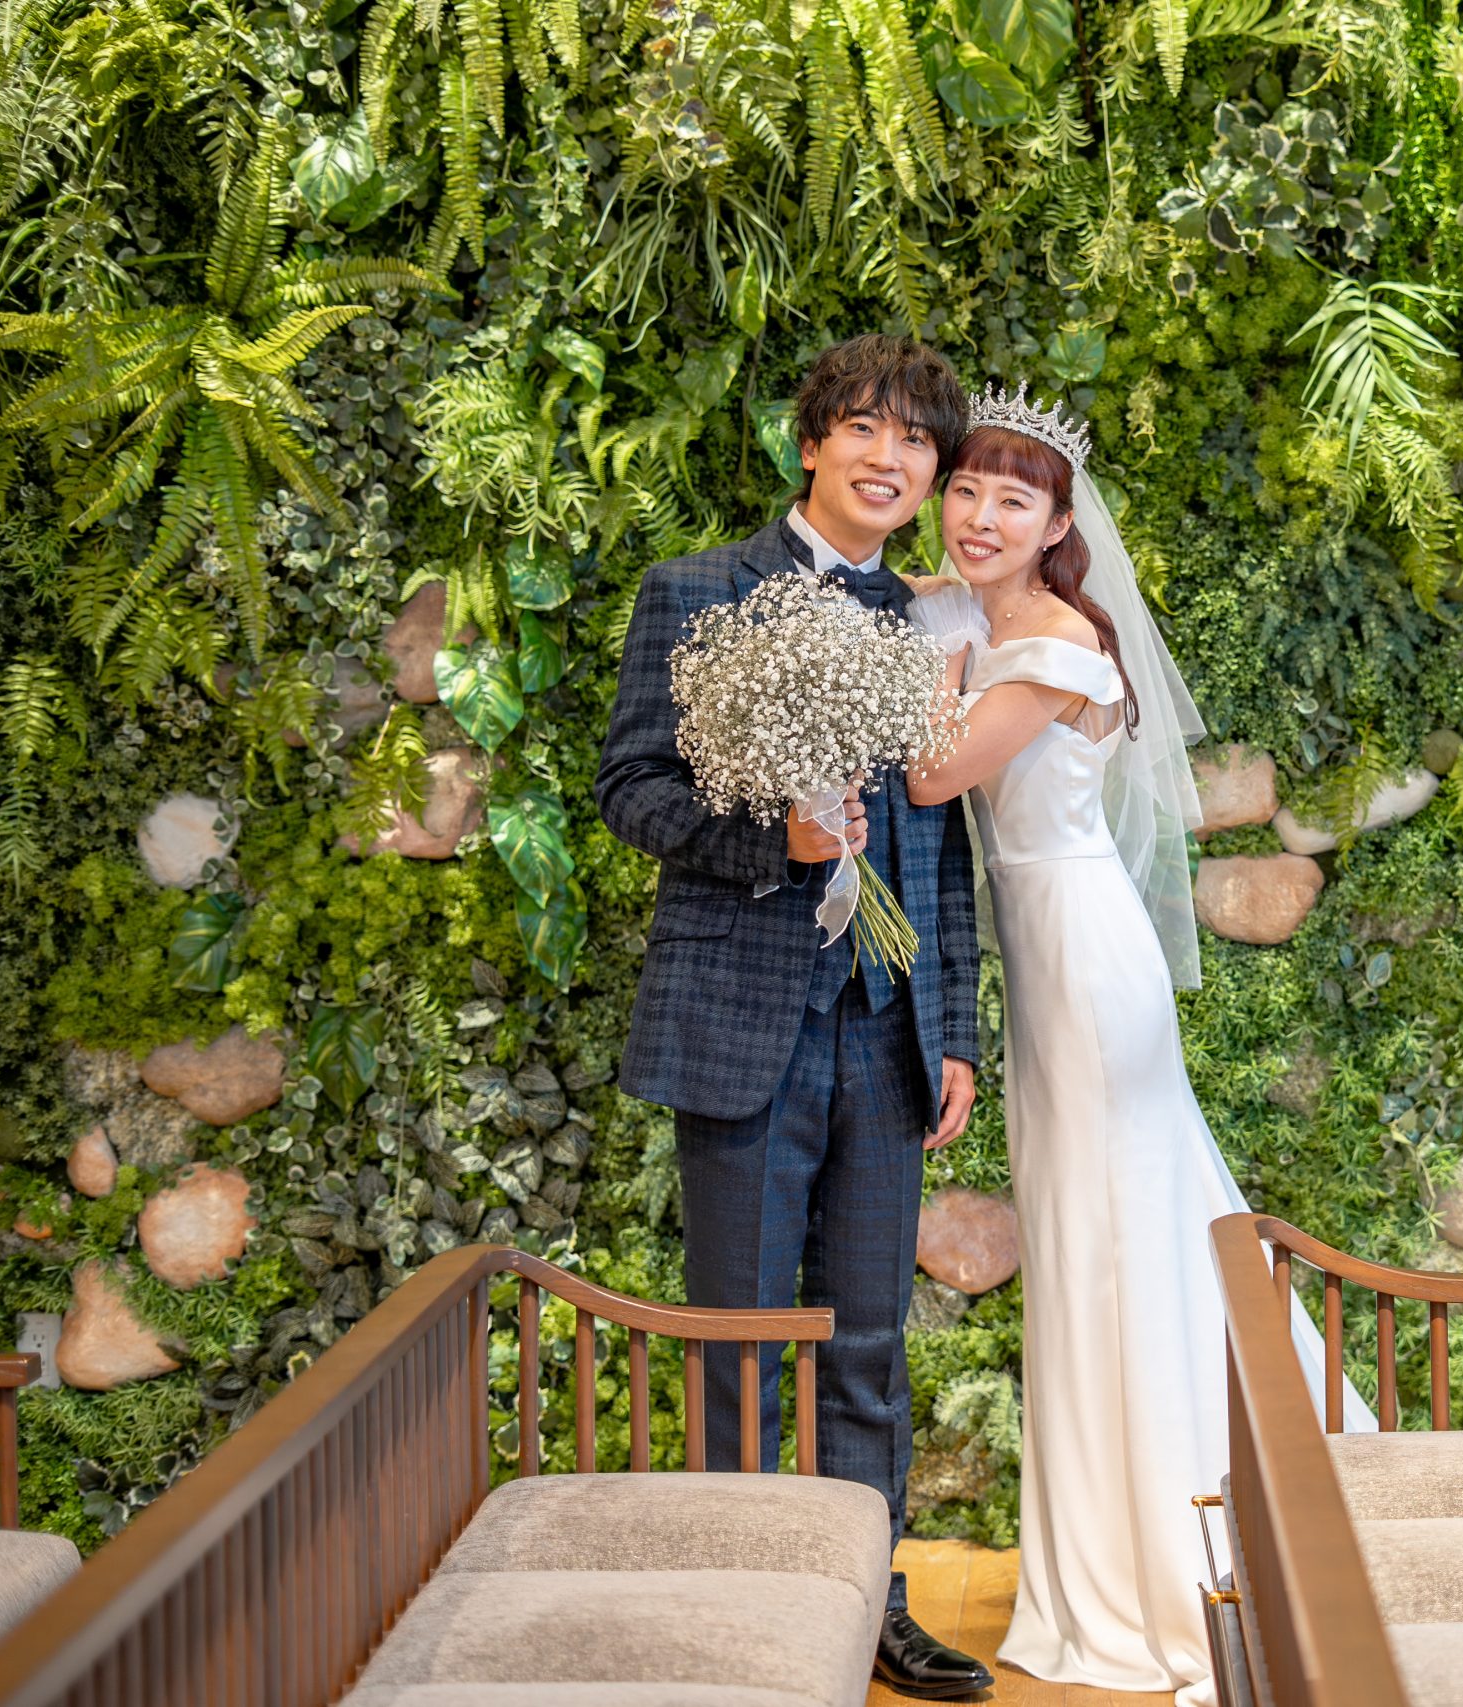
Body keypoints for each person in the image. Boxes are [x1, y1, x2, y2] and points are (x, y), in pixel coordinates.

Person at [906, 385, 1372, 1705]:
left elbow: (931, 775)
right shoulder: (995, 622)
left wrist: (923, 646)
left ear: (1061, 527)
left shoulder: (1056, 648)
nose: (980, 516)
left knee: (1117, 1236)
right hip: (1050, 961)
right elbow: (934, 634)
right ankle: (1118, 1533)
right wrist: (930, 613)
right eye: (967, 490)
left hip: (1085, 962)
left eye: (1013, 500)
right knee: (1089, 1236)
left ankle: (1173, 1552)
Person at [595, 334, 995, 1701]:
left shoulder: (936, 624)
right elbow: (632, 789)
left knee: (871, 1343)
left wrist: (954, 1030)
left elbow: (942, 849)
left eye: (917, 440)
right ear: (812, 442)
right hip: (742, 1023)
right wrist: (779, 840)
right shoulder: (697, 590)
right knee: (742, 1336)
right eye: (865, 429)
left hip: (886, 1033)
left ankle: (868, 1602)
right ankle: (740, 1616)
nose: (890, 458)